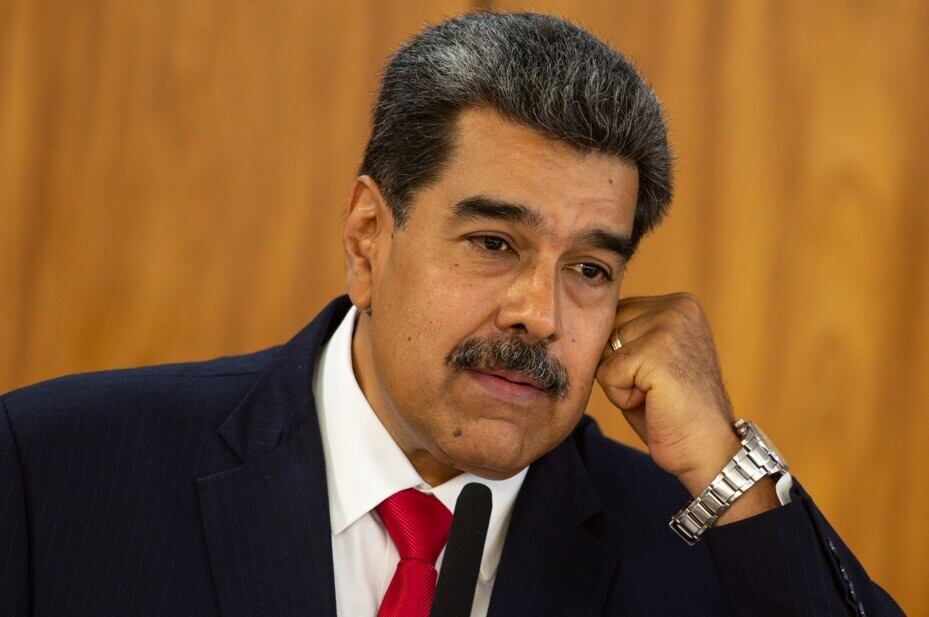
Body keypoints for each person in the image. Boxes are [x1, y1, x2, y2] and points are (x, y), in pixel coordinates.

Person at [0, 11, 904, 617]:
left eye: (588, 268)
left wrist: (726, 471)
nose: (538, 314)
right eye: (493, 242)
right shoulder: (54, 470)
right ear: (367, 237)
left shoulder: (702, 544)